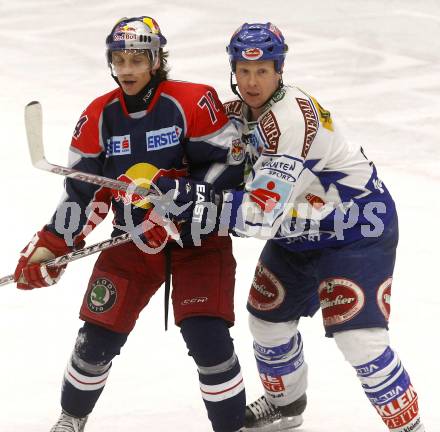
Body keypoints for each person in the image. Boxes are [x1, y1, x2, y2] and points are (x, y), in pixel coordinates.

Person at [158, 22, 426, 432]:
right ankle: (286, 404)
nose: (251, 82)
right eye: (244, 72)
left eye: (262, 71)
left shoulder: (290, 120)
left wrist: (196, 203)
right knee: (266, 321)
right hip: (297, 229)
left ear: (279, 70)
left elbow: (259, 216)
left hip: (355, 227)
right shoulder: (234, 114)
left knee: (361, 342)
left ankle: (412, 429)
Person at [14, 16, 247, 432]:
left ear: (156, 60)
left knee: (207, 340)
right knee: (96, 338)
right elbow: (83, 196)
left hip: (199, 243)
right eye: (119, 59)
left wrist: (183, 200)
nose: (126, 69)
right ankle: (71, 419)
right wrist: (52, 246)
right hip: (132, 241)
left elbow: (230, 164)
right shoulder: (98, 117)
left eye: (137, 59)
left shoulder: (192, 101)